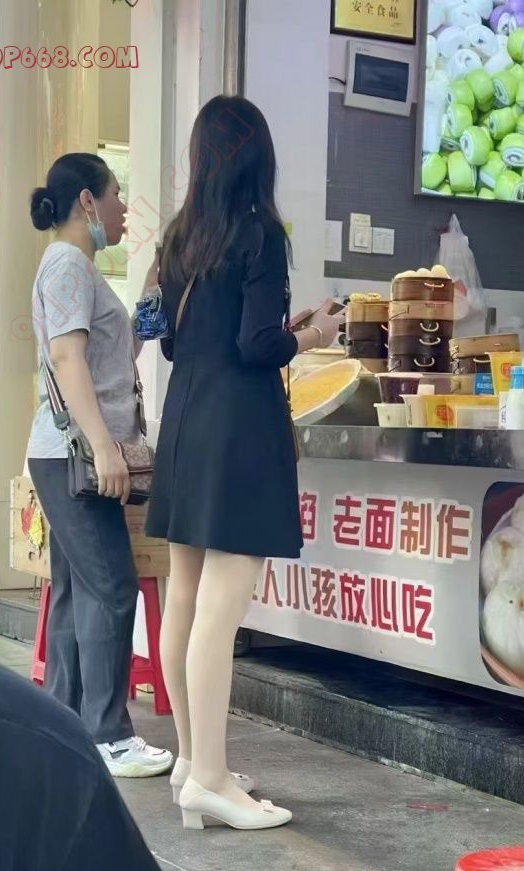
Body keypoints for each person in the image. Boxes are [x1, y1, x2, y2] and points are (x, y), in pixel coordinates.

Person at [0, 435, 207, 871]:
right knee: (101, 588)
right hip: (81, 460)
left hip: (82, 463)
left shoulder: (37, 768)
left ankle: (100, 722)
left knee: (89, 589)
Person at [146, 96, 343, 830]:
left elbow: (172, 341)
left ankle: (193, 763)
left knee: (185, 598)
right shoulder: (258, 233)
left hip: (185, 420)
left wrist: (277, 329)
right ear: (258, 156)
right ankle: (211, 779)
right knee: (220, 610)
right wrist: (313, 335)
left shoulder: (178, 237)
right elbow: (257, 346)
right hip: (237, 430)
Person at [26, 152, 172, 778]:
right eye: (115, 196)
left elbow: (118, 350)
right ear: (87, 201)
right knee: (112, 588)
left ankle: (61, 727)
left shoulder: (78, 268)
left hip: (64, 453)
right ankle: (110, 736)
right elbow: (67, 359)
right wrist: (105, 445)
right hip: (76, 456)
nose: (122, 210)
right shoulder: (67, 263)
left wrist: (152, 292)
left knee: (76, 591)